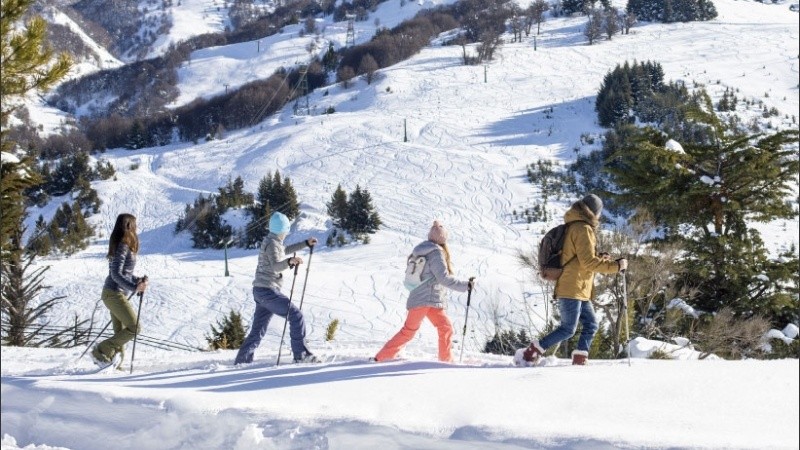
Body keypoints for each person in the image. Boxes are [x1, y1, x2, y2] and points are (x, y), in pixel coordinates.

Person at [518, 194, 627, 366]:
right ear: (594, 212)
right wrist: (616, 266)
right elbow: (588, 262)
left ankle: (579, 360)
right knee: (568, 329)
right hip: (572, 287)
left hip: (580, 288)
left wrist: (601, 258)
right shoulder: (582, 229)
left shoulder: (576, 226)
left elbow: (579, 258)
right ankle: (532, 351)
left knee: (591, 325)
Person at [374, 220, 474, 363]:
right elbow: (444, 278)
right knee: (409, 331)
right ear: (443, 239)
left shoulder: (422, 250)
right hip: (425, 299)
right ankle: (381, 357)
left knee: (445, 328)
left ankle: (445, 361)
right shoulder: (435, 253)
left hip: (429, 299)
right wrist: (466, 286)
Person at [235, 211, 318, 365]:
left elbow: (284, 250)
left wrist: (305, 243)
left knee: (257, 330)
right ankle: (300, 355)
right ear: (283, 230)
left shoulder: (272, 242)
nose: (287, 233)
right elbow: (275, 266)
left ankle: (242, 361)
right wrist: (290, 262)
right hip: (267, 291)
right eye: (286, 230)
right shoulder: (272, 244)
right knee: (296, 315)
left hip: (261, 291)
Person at [91, 213, 148, 369]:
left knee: (120, 331)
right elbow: (115, 274)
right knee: (135, 328)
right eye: (135, 225)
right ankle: (102, 350)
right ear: (129, 225)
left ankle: (114, 363)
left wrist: (137, 281)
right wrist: (135, 287)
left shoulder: (121, 245)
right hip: (114, 293)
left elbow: (124, 273)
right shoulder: (123, 245)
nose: (137, 228)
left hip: (113, 293)